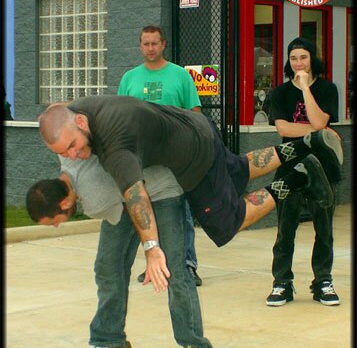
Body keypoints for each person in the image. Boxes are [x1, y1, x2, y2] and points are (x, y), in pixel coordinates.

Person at [37, 95, 343, 297]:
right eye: (64, 154)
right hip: (195, 126)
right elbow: (54, 111)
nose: (74, 156)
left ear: (80, 123)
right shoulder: (79, 109)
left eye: (73, 146)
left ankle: (301, 175)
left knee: (231, 220)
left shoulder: (115, 143)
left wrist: (152, 248)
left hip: (193, 158)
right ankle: (308, 142)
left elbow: (136, 196)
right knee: (240, 168)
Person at [26, 156, 214, 348]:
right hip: (125, 198)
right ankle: (111, 341)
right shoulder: (69, 159)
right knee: (108, 266)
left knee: (172, 269)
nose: (57, 225)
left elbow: (136, 210)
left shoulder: (95, 199)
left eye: (53, 221)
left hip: (161, 190)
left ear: (64, 203)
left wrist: (152, 251)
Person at [118, 25, 202, 286]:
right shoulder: (129, 78)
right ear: (140, 46)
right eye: (146, 44)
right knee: (146, 211)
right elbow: (120, 117)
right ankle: (153, 265)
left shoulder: (180, 76)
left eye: (155, 43)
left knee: (181, 211)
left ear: (163, 44)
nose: (150, 48)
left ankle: (187, 264)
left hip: (176, 157)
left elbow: (195, 114)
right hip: (141, 158)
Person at [266, 37, 342, 307]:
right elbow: (284, 129)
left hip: (323, 170)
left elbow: (322, 120)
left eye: (303, 57)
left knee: (324, 229)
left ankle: (323, 281)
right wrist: (318, 133)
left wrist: (306, 89)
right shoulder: (279, 93)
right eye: (294, 58)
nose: (298, 62)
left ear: (313, 59)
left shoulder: (327, 89)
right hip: (289, 168)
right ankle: (281, 283)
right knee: (285, 229)